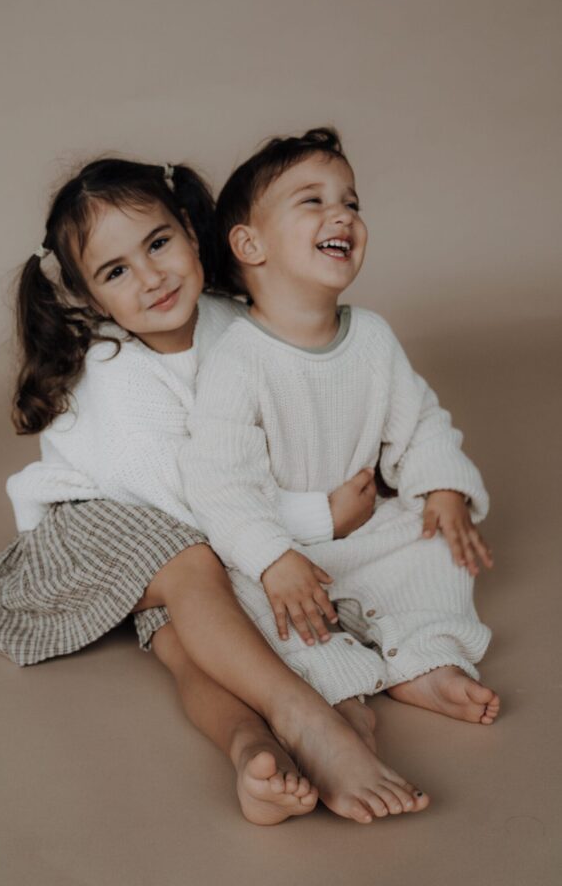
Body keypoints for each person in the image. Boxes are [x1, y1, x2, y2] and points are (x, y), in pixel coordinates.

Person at [0, 156, 429, 825]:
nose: (151, 277)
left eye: (158, 244)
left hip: (198, 533)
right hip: (99, 528)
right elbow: (190, 500)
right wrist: (318, 516)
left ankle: (253, 752)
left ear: (187, 227)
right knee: (198, 565)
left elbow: (284, 424)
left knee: (191, 644)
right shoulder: (115, 372)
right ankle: (306, 715)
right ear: (91, 299)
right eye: (116, 272)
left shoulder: (234, 322)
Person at [181, 127, 500, 727]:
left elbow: (419, 421)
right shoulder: (238, 360)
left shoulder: (372, 336)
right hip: (284, 545)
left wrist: (443, 488)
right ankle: (336, 685)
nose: (342, 215)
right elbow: (220, 483)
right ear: (250, 244)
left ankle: (427, 661)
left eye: (351, 202)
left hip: (366, 531)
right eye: (313, 200)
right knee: (242, 598)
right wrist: (273, 557)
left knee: (433, 544)